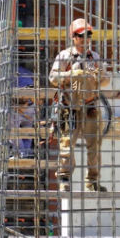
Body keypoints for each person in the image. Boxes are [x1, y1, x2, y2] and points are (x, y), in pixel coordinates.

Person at [49, 18, 110, 192]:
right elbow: (52, 78)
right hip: (70, 108)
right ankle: (64, 179)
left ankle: (92, 181)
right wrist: (70, 74)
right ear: (73, 37)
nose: (85, 39)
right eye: (81, 36)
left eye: (88, 36)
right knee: (67, 145)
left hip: (90, 108)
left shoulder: (95, 57)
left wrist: (100, 77)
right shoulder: (64, 56)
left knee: (94, 147)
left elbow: (106, 80)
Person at [10, 66, 35, 159]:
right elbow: (34, 78)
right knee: (27, 128)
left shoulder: (8, 73)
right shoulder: (23, 70)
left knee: (12, 129)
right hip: (31, 104)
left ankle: (20, 153)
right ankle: (26, 153)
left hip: (21, 105)